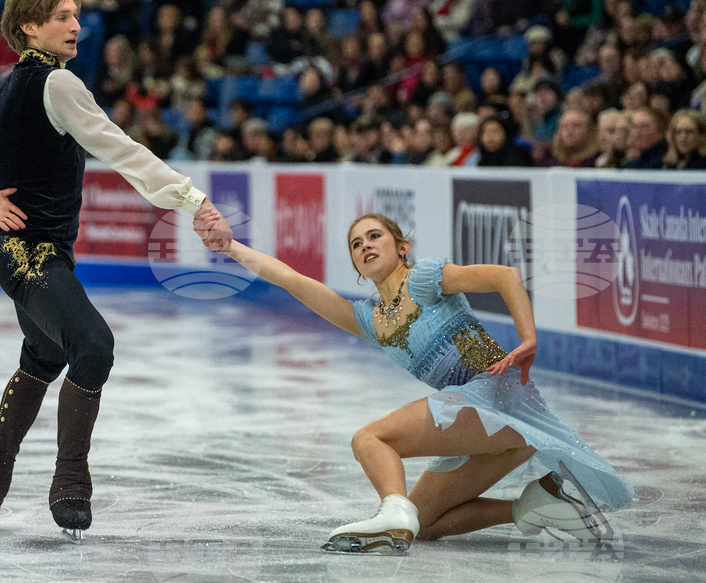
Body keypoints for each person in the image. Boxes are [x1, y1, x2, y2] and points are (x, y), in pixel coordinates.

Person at [0, 0, 232, 539]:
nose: (77, 25)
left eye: (76, 14)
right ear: (29, 27)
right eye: (62, 17)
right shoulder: (58, 85)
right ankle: (70, 481)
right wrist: (192, 199)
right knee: (93, 345)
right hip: (31, 255)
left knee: (44, 356)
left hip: (22, 253)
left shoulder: (4, 91)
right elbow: (123, 151)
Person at [208, 212, 633, 554]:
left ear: (402, 247)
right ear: (356, 265)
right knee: (426, 522)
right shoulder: (370, 321)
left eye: (375, 236)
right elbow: (290, 279)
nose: (365, 246)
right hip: (486, 425)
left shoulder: (425, 280)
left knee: (370, 440)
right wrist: (230, 246)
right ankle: (542, 503)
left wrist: (528, 339)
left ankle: (391, 513)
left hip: (499, 401)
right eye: (357, 244)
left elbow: (504, 276)